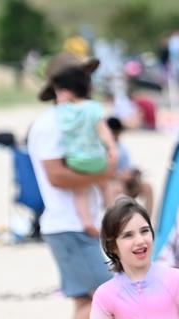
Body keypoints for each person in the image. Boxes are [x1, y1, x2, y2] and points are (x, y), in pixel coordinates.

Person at [28, 53, 115, 319]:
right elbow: (56, 175)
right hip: (66, 225)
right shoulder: (50, 124)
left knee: (85, 302)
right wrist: (104, 173)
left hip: (76, 223)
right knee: (102, 298)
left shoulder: (72, 120)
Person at [47, 62, 118, 237]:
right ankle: (111, 214)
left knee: (81, 191)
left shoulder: (62, 111)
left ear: (65, 91)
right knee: (106, 185)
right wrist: (112, 149)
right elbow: (103, 132)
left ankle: (86, 221)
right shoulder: (93, 108)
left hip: (75, 160)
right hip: (96, 158)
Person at [106, 116, 153, 215]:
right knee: (115, 189)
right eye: (114, 133)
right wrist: (119, 176)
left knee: (147, 187)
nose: (117, 136)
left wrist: (135, 172)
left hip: (126, 181)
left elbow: (128, 167)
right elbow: (103, 173)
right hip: (112, 182)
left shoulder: (122, 148)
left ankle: (148, 221)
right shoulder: (102, 149)